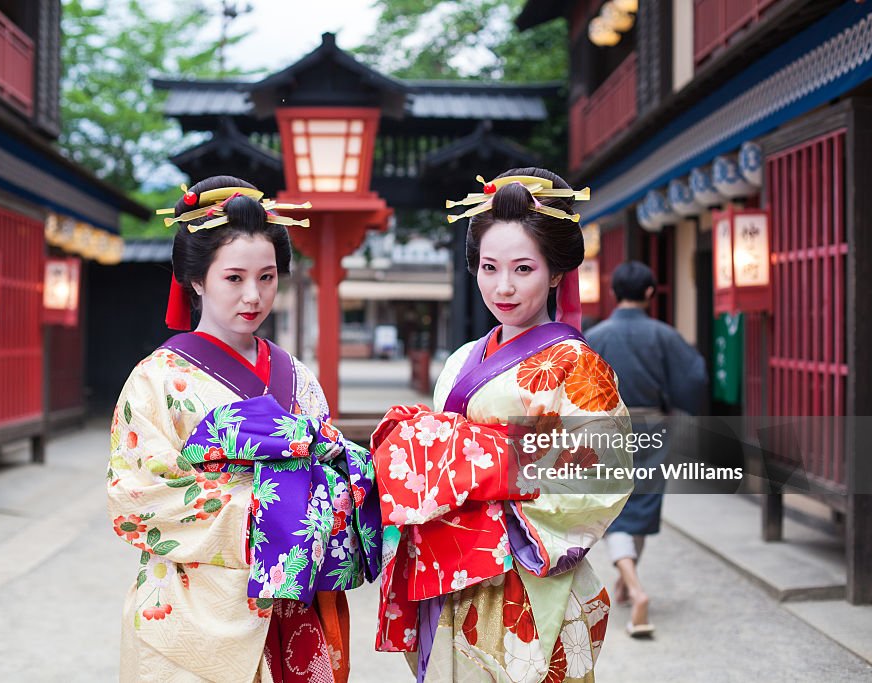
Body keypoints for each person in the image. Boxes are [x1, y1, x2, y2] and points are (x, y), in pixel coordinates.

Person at [107, 175, 381, 682]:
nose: (253, 296)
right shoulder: (158, 379)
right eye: (234, 278)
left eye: (268, 277)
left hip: (298, 605)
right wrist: (264, 514)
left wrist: (338, 488)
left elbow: (333, 470)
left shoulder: (298, 376)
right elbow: (135, 496)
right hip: (194, 609)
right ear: (196, 279)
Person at [371, 168, 632, 682]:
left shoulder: (578, 366)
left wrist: (477, 474)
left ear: (556, 273)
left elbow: (603, 473)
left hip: (520, 576)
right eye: (489, 268)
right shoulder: (464, 358)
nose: (503, 286)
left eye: (523, 269)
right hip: (447, 574)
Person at [584, 261, 708, 638]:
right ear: (651, 293)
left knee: (615, 510)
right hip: (653, 426)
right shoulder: (664, 335)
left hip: (608, 427)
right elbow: (694, 377)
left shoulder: (596, 336)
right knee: (642, 502)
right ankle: (630, 582)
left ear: (613, 292)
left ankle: (633, 588)